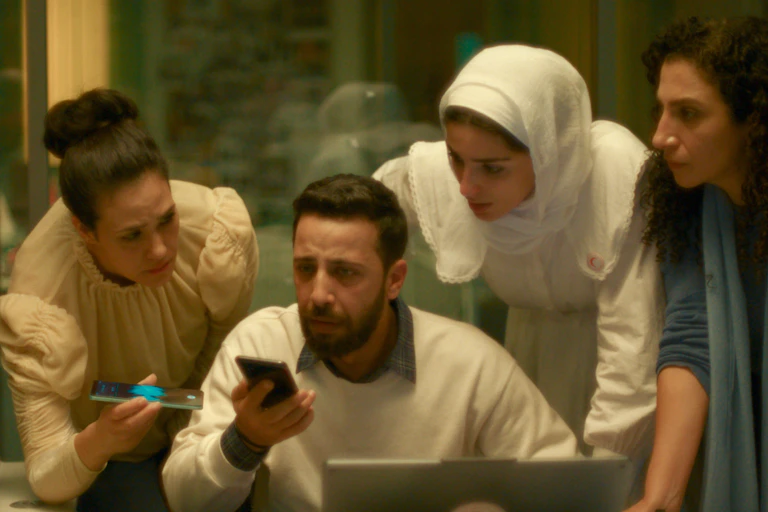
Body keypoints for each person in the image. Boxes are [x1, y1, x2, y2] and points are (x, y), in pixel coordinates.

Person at [161, 174, 578, 512]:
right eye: (306, 268)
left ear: (394, 279)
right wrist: (244, 441)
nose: (318, 294)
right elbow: (185, 501)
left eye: (345, 273)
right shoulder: (263, 343)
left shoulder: (470, 363)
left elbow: (566, 486)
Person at [373, 44, 662, 460]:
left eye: (493, 168)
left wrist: (603, 479)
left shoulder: (614, 178)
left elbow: (632, 351)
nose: (466, 187)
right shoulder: (447, 174)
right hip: (523, 364)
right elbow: (359, 212)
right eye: (456, 158)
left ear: (548, 153)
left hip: (615, 380)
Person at [0, 89, 259, 510]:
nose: (160, 250)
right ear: (84, 230)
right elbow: (47, 474)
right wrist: (101, 439)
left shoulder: (212, 231)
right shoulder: (41, 291)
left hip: (200, 429)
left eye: (167, 220)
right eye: (132, 236)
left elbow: (217, 356)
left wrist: (191, 426)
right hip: (113, 459)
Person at [625, 16, 768, 512]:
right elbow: (692, 333)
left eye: (688, 113)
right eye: (661, 109)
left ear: (753, 120)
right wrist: (661, 497)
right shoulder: (676, 191)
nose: (661, 135)